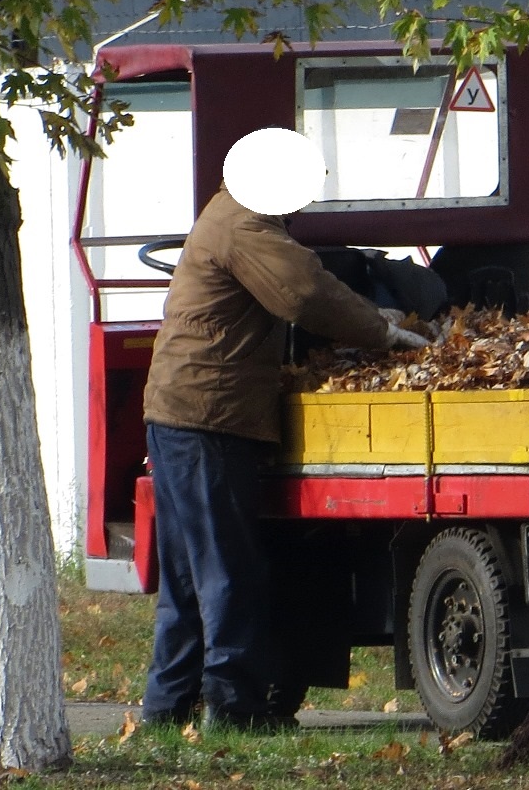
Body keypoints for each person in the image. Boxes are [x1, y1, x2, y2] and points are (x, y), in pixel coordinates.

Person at [139, 128, 429, 731]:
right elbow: (302, 291)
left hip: (180, 411)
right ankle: (236, 710)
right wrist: (380, 329)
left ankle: (167, 711)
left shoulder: (227, 216)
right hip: (211, 414)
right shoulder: (245, 225)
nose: (301, 207)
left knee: (190, 578)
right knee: (227, 571)